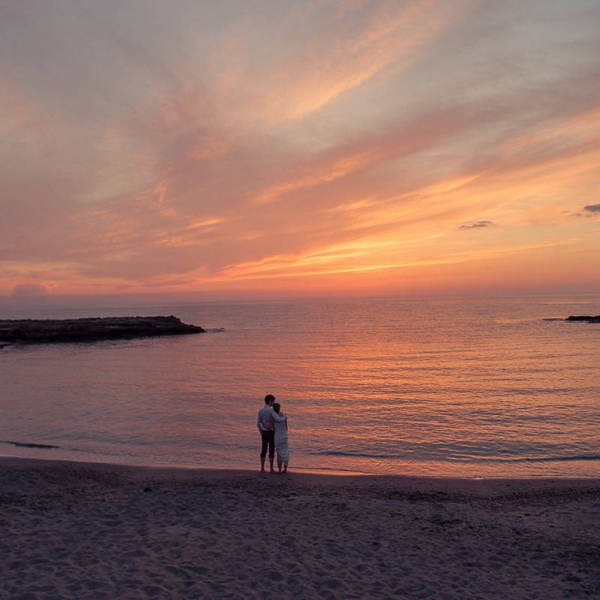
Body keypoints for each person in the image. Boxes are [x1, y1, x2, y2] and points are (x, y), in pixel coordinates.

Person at [257, 394, 276, 472]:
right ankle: (271, 468)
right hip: (271, 431)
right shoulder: (272, 410)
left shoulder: (261, 410)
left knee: (264, 449)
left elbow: (258, 423)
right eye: (273, 401)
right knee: (271, 449)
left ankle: (262, 467)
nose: (274, 402)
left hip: (264, 432)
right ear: (270, 401)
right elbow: (275, 419)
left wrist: (261, 430)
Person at [268, 403, 289, 473]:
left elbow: (270, 426)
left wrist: (263, 425)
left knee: (279, 453)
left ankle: (279, 470)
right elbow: (286, 427)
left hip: (278, 435)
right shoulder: (284, 415)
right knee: (285, 452)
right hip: (284, 435)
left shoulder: (273, 417)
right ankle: (285, 469)